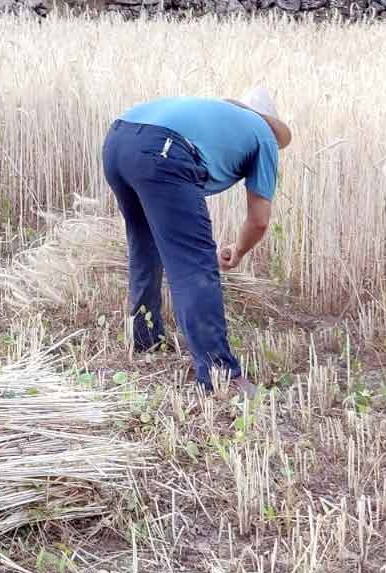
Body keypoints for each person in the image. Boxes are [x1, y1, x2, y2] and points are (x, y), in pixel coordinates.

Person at [101, 87, 292, 398]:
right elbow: (259, 219)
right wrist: (239, 250)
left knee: (145, 246)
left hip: (117, 139)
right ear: (270, 122)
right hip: (162, 150)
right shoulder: (264, 136)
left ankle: (145, 338)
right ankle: (220, 375)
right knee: (194, 265)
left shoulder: (216, 116)